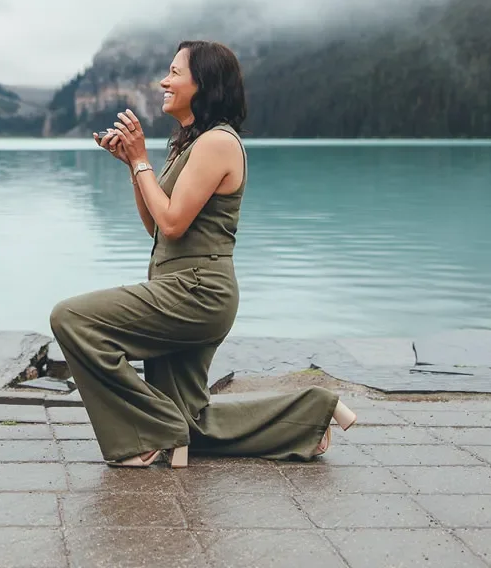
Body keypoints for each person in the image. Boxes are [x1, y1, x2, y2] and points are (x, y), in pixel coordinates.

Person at [49, 41, 356, 467]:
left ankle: (152, 433)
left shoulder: (217, 143)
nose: (163, 81)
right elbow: (158, 227)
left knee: (72, 318)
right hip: (182, 286)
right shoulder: (188, 143)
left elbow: (171, 223)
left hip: (196, 293)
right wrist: (134, 168)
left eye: (175, 72)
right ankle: (312, 414)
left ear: (203, 83)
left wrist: (141, 161)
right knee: (191, 424)